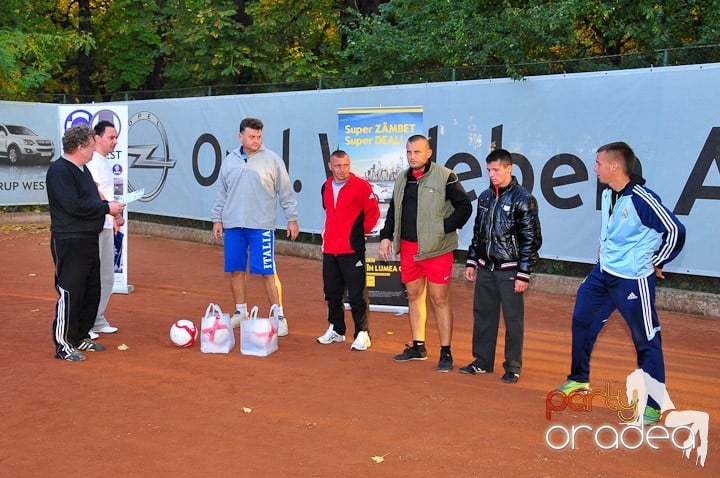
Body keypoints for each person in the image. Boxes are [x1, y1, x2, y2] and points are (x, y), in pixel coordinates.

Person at [555, 142, 685, 425]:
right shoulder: (607, 193)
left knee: (646, 338)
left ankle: (654, 403)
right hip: (603, 274)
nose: (595, 168)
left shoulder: (642, 198)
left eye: (599, 163)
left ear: (615, 166)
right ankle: (578, 379)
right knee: (582, 319)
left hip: (632, 280)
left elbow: (675, 230)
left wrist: (657, 260)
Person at [378, 134, 472, 372]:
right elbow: (393, 211)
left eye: (417, 152)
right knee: (414, 297)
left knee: (439, 300)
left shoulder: (445, 176)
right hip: (409, 248)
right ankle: (418, 347)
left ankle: (445, 351)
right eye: (409, 152)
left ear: (429, 153)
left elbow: (465, 206)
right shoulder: (402, 178)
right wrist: (386, 236)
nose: (412, 157)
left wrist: (443, 228)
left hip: (437, 249)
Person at [211, 117, 299, 336]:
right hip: (233, 226)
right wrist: (217, 219)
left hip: (261, 226)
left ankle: (279, 315)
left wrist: (292, 217)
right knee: (235, 270)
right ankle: (241, 312)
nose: (256, 140)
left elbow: (286, 191)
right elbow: (221, 192)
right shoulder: (230, 160)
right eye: (251, 136)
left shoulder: (272, 160)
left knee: (267, 272)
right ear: (240, 137)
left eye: (259, 136)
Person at [461, 149, 542, 384]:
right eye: (489, 170)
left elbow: (531, 239)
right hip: (486, 268)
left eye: (496, 170)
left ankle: (513, 366)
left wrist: (523, 273)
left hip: (510, 269)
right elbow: (479, 231)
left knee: (513, 319)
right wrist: (472, 260)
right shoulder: (485, 197)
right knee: (483, 316)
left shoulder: (524, 199)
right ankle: (482, 362)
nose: (492, 174)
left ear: (509, 169)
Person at [46, 125, 125, 362]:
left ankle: (79, 336)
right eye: (91, 146)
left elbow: (92, 199)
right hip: (70, 240)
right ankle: (63, 344)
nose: (94, 150)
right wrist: (106, 208)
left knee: (91, 290)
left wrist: (110, 210)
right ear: (80, 147)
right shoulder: (60, 171)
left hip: (89, 237)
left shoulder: (82, 169)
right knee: (70, 292)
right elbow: (74, 206)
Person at [317, 150, 380, 350]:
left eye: (346, 165)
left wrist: (357, 234)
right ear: (330, 166)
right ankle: (336, 329)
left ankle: (362, 333)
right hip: (330, 250)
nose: (342, 170)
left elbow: (373, 213)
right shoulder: (325, 187)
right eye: (338, 166)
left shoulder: (361, 186)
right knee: (332, 293)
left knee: (356, 294)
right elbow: (329, 214)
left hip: (352, 250)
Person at [85, 120, 122, 339]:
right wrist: (113, 212)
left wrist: (116, 218)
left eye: (116, 138)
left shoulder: (105, 162)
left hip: (107, 225)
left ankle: (98, 320)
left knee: (107, 276)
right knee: (93, 276)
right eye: (111, 137)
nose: (114, 142)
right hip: (95, 227)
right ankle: (86, 323)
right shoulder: (92, 162)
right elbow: (96, 192)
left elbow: (107, 195)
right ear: (97, 138)